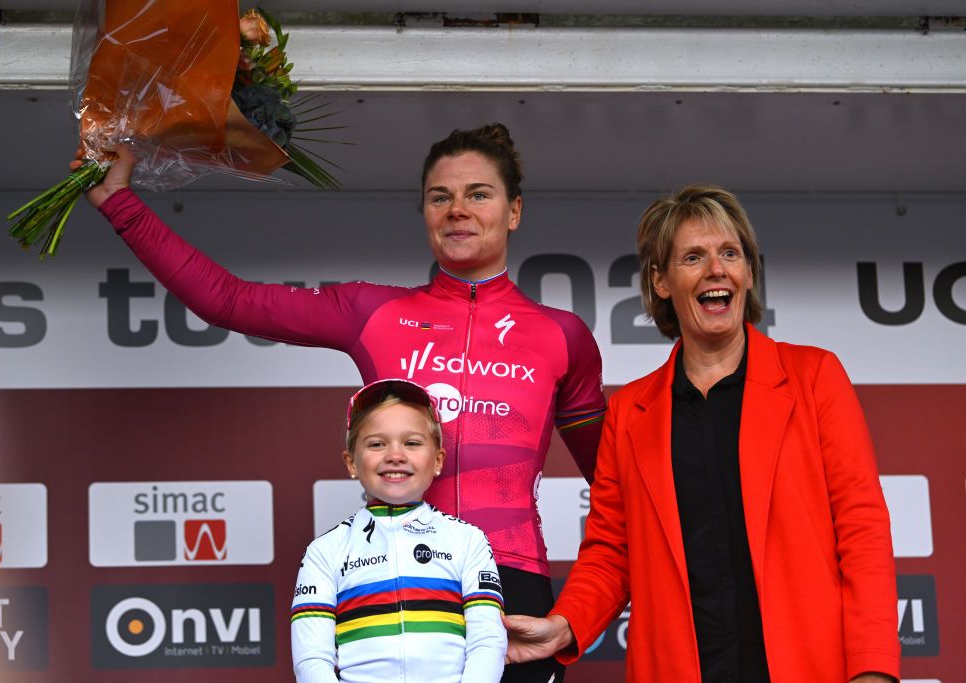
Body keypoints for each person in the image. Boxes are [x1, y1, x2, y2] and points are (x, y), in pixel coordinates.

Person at [79, 123, 605, 682]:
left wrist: (582, 613)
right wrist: (118, 202)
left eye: (478, 193)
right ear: (423, 212)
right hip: (389, 579)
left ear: (514, 210)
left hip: (510, 584)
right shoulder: (373, 311)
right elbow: (227, 300)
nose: (457, 209)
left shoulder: (562, 335)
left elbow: (617, 486)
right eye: (439, 196)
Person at [503, 185, 900, 682]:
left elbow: (863, 534)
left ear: (748, 273)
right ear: (661, 281)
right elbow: (609, 554)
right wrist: (565, 625)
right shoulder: (629, 412)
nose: (717, 269)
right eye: (694, 256)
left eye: (730, 253)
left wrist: (873, 669)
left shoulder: (815, 377)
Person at [291, 378, 506, 682]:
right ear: (352, 462)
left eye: (412, 443)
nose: (395, 455)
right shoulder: (324, 551)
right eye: (377, 444)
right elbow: (312, 659)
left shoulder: (467, 540)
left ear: (437, 461)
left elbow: (487, 642)